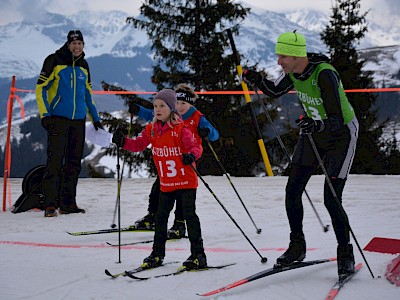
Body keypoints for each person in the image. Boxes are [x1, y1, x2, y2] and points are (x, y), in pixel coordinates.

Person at [242, 30, 359, 278]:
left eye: (282, 56)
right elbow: (274, 91)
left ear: (296, 55)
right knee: (293, 189)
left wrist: (317, 125)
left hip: (341, 135)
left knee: (331, 198)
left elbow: (337, 118)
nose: (278, 62)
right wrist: (256, 79)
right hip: (315, 132)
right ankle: (297, 247)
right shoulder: (294, 72)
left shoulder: (324, 73)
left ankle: (345, 253)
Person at [112, 88, 207, 270]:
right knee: (161, 218)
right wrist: (122, 141)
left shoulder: (181, 129)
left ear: (171, 108)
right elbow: (138, 145)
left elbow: (196, 147)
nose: (157, 109)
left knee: (189, 216)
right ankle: (157, 254)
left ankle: (198, 255)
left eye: (162, 106)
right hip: (167, 184)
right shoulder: (152, 130)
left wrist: (192, 156)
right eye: (155, 106)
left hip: (186, 182)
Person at [129, 84, 219, 240]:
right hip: (170, 161)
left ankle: (179, 224)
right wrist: (137, 110)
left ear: (191, 104)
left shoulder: (197, 117)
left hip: (187, 161)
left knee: (182, 196)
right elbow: (152, 114)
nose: (180, 106)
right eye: (177, 103)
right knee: (158, 188)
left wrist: (207, 132)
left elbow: (214, 135)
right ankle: (152, 216)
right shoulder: (169, 114)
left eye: (184, 103)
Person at [36, 30, 103, 218]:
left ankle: (68, 203)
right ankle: (50, 204)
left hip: (78, 121)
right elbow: (40, 88)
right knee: (55, 162)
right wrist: (45, 115)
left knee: (73, 163)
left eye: (80, 43)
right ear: (68, 44)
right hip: (58, 119)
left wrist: (96, 119)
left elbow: (88, 95)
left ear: (83, 45)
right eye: (73, 43)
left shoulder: (84, 65)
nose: (77, 46)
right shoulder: (54, 61)